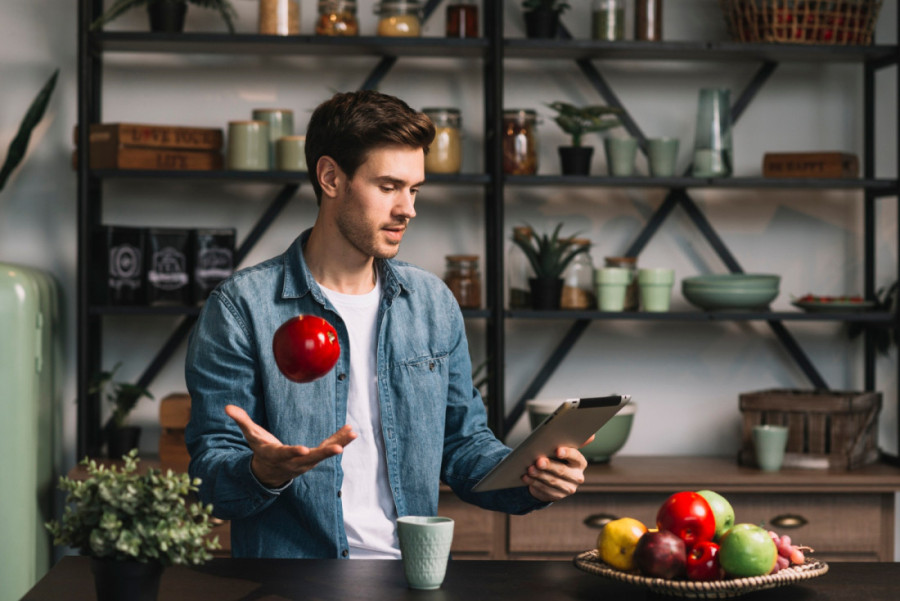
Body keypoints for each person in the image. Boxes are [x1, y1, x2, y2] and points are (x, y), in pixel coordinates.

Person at [184, 90, 590, 559]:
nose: (408, 209)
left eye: (414, 189)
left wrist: (532, 478)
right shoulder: (241, 308)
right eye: (389, 186)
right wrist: (263, 471)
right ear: (331, 177)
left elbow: (464, 447)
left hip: (413, 574)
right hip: (294, 582)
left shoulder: (433, 303)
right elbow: (208, 481)